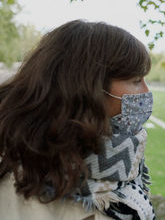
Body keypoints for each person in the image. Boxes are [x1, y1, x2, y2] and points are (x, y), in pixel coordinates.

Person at [0, 20, 156, 220]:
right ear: (89, 85)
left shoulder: (123, 154)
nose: (146, 92)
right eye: (136, 81)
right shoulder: (20, 175)